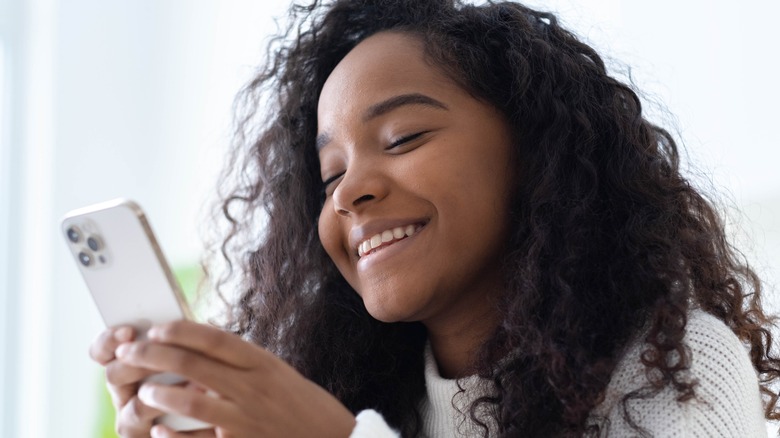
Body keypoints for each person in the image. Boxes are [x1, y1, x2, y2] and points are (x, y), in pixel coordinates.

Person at [89, 0, 780, 436]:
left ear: (535, 153)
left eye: (402, 139)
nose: (348, 192)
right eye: (328, 175)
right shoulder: (347, 391)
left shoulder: (677, 372)